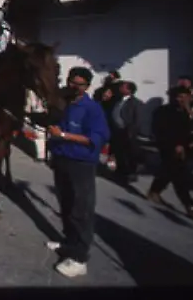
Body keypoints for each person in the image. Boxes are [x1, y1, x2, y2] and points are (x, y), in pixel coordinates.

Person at [46, 67, 110, 279]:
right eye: (72, 82)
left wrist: (63, 135)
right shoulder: (65, 104)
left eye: (79, 84)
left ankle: (80, 257)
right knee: (65, 204)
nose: (74, 87)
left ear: (87, 86)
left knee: (80, 209)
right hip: (62, 158)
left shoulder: (92, 109)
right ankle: (69, 243)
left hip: (80, 163)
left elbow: (95, 139)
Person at [147, 86, 193, 222]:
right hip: (169, 148)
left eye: (184, 96)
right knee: (179, 176)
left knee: (168, 171)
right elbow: (161, 131)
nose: (181, 99)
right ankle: (190, 206)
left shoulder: (190, 112)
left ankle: (154, 191)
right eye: (178, 96)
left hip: (187, 148)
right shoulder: (164, 111)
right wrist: (174, 145)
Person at [109, 81, 143, 183]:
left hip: (127, 131)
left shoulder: (136, 103)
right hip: (117, 130)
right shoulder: (119, 100)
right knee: (119, 152)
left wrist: (132, 131)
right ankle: (120, 171)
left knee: (129, 153)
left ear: (129, 90)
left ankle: (131, 172)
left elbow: (138, 119)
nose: (120, 89)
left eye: (123, 87)